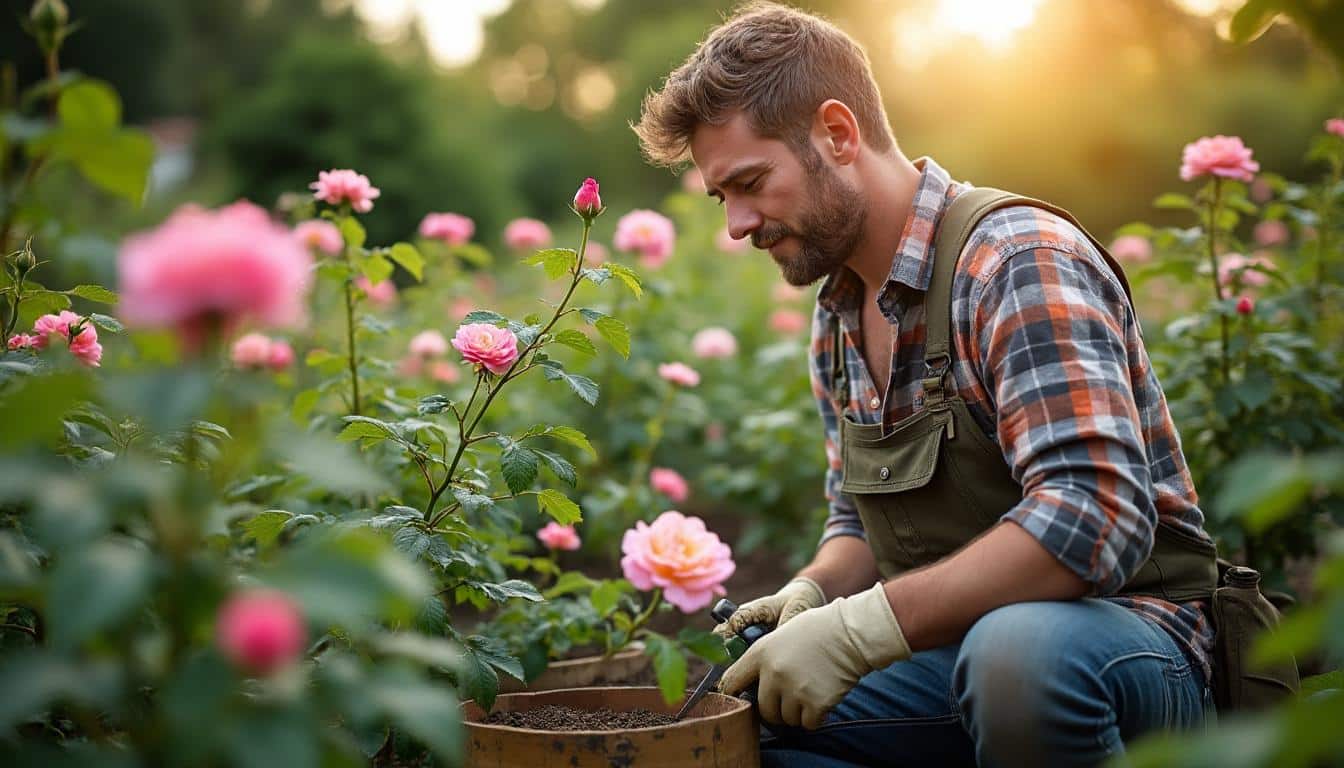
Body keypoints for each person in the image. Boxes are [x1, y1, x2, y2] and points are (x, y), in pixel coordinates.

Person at [632, 3, 1220, 766]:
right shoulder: (839, 313)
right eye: (723, 198)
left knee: (1018, 657)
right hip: (957, 652)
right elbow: (858, 520)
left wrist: (860, 630)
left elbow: (1094, 514)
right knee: (743, 712)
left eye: (750, 182)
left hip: (1124, 646)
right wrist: (811, 598)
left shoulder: (1013, 262)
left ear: (838, 135)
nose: (737, 224)